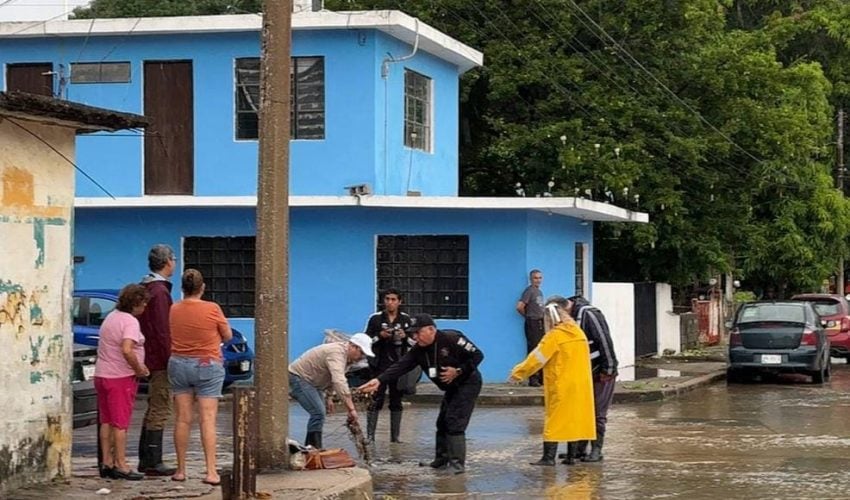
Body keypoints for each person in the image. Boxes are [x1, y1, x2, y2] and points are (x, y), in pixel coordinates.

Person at [358, 313, 484, 475]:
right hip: (450, 387)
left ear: (431, 329)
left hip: (468, 383)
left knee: (454, 422)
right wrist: (379, 380)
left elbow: (478, 355)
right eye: (413, 333)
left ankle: (457, 465)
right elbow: (400, 366)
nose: (415, 337)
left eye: (418, 332)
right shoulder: (418, 350)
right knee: (442, 422)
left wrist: (458, 371)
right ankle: (441, 460)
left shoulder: (451, 338)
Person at [508, 296, 596, 466]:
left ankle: (548, 457)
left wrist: (518, 373)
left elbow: (537, 358)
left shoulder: (554, 337)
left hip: (561, 384)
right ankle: (571, 457)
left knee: (554, 420)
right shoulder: (578, 333)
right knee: (575, 419)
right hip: (581, 385)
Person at [168, 269, 232, 485]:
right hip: (207, 363)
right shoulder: (212, 308)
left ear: (183, 289)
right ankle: (211, 471)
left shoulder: (174, 309)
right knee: (208, 419)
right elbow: (228, 335)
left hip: (178, 363)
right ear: (202, 287)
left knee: (182, 419)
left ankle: (180, 470)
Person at [94, 284, 150, 481]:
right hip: (120, 377)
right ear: (136, 303)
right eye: (143, 304)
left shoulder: (111, 317)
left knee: (106, 420)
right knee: (120, 422)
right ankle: (121, 463)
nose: (144, 308)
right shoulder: (130, 322)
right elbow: (127, 349)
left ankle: (107, 462)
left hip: (102, 374)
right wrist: (139, 368)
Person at [289, 333, 375, 449]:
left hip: (315, 383)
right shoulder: (336, 353)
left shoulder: (348, 359)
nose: (362, 357)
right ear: (353, 346)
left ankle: (312, 448)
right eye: (362, 353)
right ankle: (314, 449)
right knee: (318, 413)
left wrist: (329, 397)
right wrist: (351, 409)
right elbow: (339, 381)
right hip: (299, 377)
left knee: (320, 413)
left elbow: (331, 378)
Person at [137, 243, 178, 475]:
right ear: (167, 261)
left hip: (150, 355)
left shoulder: (147, 287)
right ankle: (152, 460)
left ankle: (148, 458)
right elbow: (163, 330)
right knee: (161, 407)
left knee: (154, 405)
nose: (175, 263)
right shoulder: (160, 292)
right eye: (173, 259)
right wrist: (169, 357)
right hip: (160, 359)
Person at [563, 295, 618, 463]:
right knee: (582, 410)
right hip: (583, 371)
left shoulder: (589, 314)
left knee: (597, 412)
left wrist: (608, 369)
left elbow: (604, 340)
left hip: (600, 371)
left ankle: (596, 450)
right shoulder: (573, 317)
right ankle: (579, 449)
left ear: (565, 308)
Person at [364, 288, 412, 444]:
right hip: (379, 365)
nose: (390, 302)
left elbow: (414, 342)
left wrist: (404, 337)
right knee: (375, 399)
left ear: (400, 302)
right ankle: (370, 436)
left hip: (398, 365)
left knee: (396, 401)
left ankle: (395, 437)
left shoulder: (406, 320)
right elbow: (365, 342)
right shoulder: (375, 319)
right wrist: (380, 336)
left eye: (393, 299)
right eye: (387, 299)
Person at [516, 269, 545, 387]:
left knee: (541, 349)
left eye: (540, 278)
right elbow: (519, 306)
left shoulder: (539, 292)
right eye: (535, 278)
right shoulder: (529, 291)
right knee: (534, 350)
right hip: (532, 322)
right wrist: (528, 316)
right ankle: (533, 378)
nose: (538, 280)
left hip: (540, 322)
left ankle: (541, 377)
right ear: (531, 279)